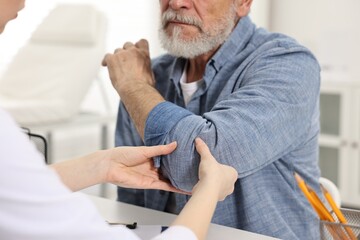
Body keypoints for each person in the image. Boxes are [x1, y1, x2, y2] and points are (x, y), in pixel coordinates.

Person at [0, 1, 238, 240]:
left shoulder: (273, 61)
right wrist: (210, 188)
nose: (176, 2)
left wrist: (102, 165)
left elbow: (10, 186)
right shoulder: (140, 81)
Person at [102, 0, 322, 239]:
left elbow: (195, 168)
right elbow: (130, 202)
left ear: (243, 3)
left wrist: (133, 87)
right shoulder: (147, 78)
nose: (176, 3)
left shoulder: (289, 63)